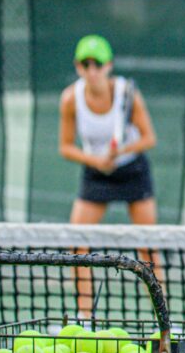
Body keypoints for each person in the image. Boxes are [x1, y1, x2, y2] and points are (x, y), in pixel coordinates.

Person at [59, 34, 161, 318]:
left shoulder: (129, 94)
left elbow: (149, 138)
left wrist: (121, 151)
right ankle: (84, 318)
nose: (91, 71)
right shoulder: (70, 99)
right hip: (96, 174)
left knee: (148, 246)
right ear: (78, 67)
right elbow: (65, 146)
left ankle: (164, 321)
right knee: (77, 242)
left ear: (109, 66)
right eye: (85, 64)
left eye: (97, 64)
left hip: (132, 171)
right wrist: (96, 160)